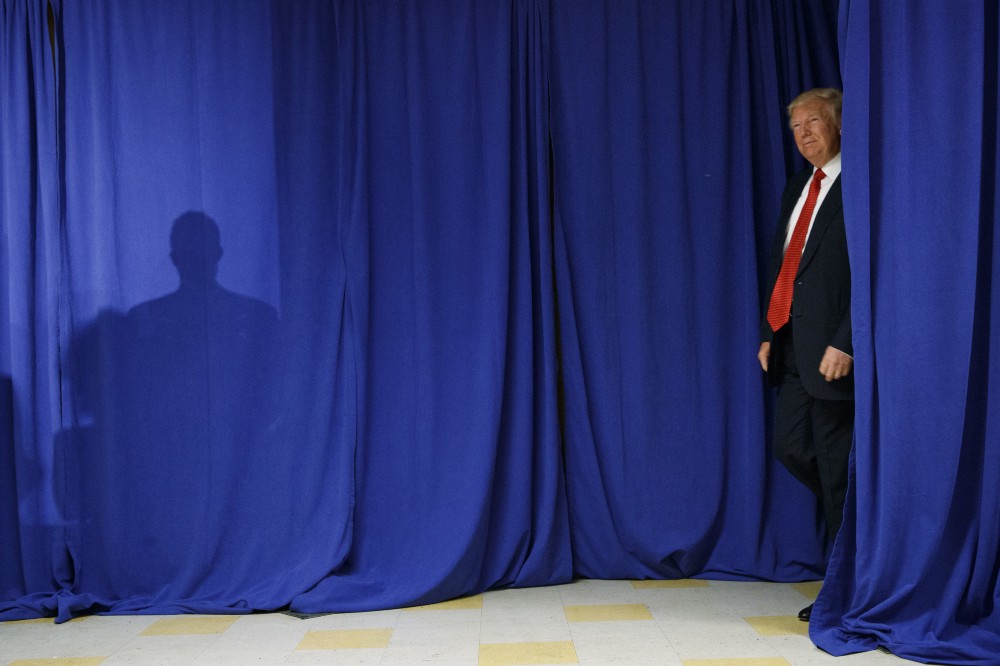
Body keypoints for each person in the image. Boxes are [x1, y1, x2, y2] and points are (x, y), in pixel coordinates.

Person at [758, 88, 853, 622]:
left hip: (835, 353)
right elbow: (783, 263)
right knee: (792, 448)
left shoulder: (859, 183)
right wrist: (769, 330)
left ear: (839, 126)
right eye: (796, 128)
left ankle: (842, 594)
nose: (804, 135)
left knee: (838, 472)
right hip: (792, 347)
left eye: (814, 123)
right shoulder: (800, 186)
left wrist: (848, 340)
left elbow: (871, 272)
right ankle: (864, 525)